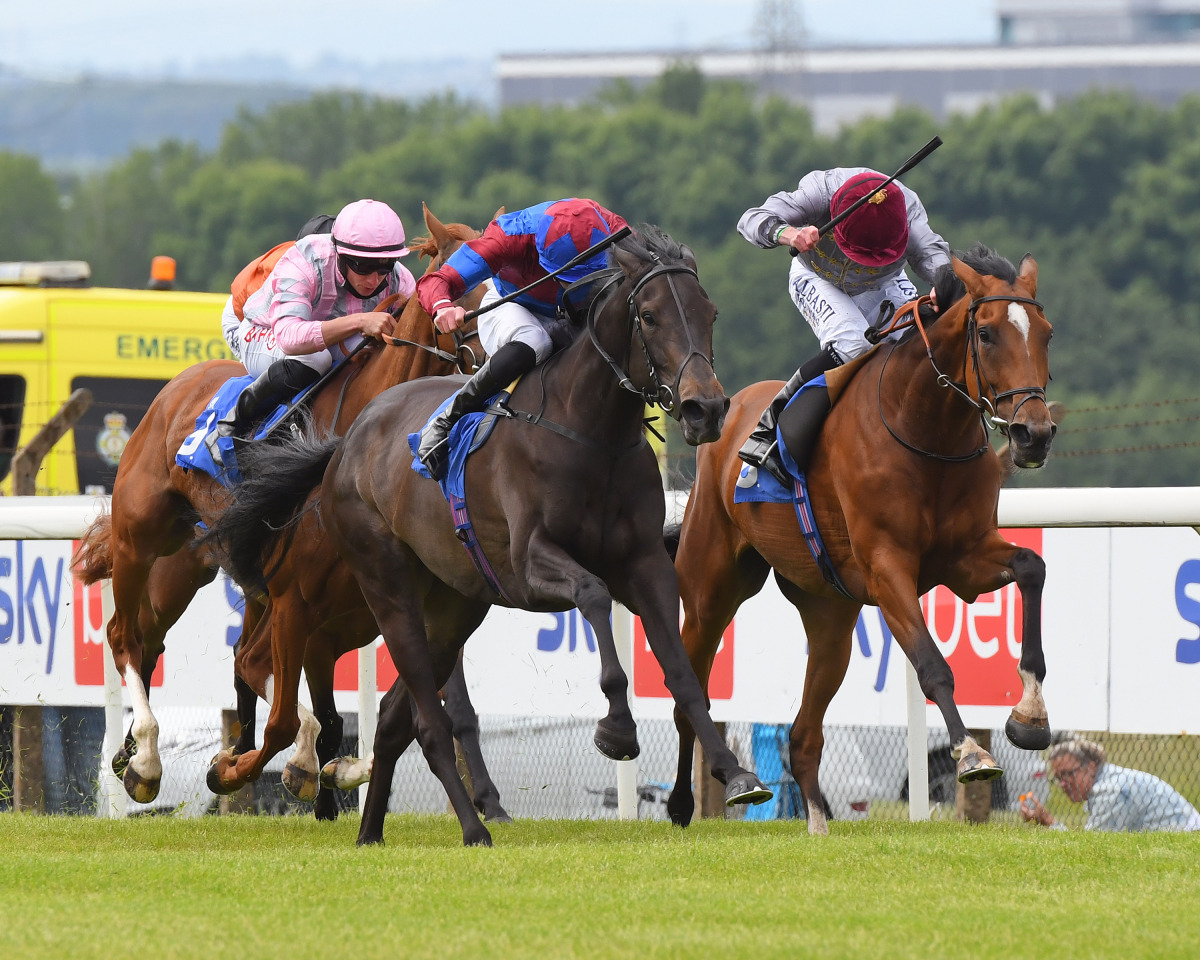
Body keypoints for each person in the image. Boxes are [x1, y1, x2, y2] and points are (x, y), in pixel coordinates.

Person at [735, 167, 951, 485]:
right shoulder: (819, 193)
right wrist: (789, 234)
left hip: (883, 283)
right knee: (852, 343)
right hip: (817, 277)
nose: (866, 261)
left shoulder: (909, 210)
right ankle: (767, 431)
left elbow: (933, 255)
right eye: (863, 253)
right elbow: (751, 219)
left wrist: (943, 284)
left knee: (924, 340)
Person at [412, 197, 628, 481]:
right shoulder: (507, 236)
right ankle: (446, 420)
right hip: (512, 304)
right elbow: (437, 281)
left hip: (574, 311)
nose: (573, 284)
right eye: (568, 276)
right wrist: (442, 306)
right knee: (536, 340)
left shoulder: (613, 228)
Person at [217, 200, 416, 438]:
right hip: (265, 332)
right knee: (316, 358)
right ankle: (236, 421)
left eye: (384, 268)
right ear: (340, 255)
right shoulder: (303, 261)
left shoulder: (401, 280)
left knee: (369, 354)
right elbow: (290, 338)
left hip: (326, 336)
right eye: (362, 267)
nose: (374, 280)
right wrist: (361, 321)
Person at [1021, 737, 1200, 832]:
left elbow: (1089, 850)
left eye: (1068, 774)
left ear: (1091, 766)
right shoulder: (1109, 779)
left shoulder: (1111, 790)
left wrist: (1050, 822)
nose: (1062, 783)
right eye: (1058, 777)